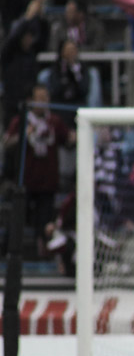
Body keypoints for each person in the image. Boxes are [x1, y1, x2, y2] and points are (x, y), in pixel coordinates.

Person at [2, 84, 75, 256]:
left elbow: (68, 141)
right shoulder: (20, 120)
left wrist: (77, 135)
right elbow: (7, 144)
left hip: (47, 183)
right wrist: (24, 135)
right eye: (39, 98)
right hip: (24, 182)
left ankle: (43, 256)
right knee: (17, 220)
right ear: (30, 100)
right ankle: (8, 254)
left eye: (45, 98)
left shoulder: (54, 121)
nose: (43, 102)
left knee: (44, 224)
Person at [1, 0, 48, 130]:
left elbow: (43, 38)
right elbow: (13, 38)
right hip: (12, 105)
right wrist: (28, 17)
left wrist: (39, 17)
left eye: (30, 37)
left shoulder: (32, 53)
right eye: (25, 37)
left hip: (29, 107)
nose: (29, 40)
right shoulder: (9, 54)